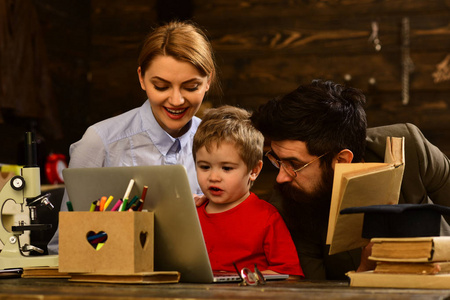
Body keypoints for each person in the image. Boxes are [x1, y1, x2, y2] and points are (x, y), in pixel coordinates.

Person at [250, 79, 450, 280]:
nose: (281, 177)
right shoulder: (286, 201)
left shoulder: (411, 146)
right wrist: (364, 272)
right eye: (277, 160)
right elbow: (313, 291)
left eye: (293, 164)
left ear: (342, 159)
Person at [47, 20, 218, 254]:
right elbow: (65, 246)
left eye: (191, 87)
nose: (177, 100)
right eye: (161, 86)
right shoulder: (100, 142)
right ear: (141, 78)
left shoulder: (217, 143)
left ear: (208, 81)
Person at [193, 105, 303, 277]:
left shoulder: (267, 217)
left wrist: (242, 280)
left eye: (227, 168)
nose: (213, 177)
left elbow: (290, 274)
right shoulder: (191, 214)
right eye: (205, 167)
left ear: (254, 171)